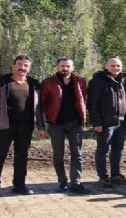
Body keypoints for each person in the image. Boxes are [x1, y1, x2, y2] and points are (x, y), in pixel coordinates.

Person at [0, 55, 45, 199]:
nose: (22, 67)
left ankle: (19, 185)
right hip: (4, 126)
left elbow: (39, 107)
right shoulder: (2, 82)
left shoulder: (34, 84)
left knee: (22, 156)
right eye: (19, 64)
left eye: (25, 65)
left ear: (29, 68)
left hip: (26, 127)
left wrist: (41, 126)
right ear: (13, 66)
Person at [40, 57, 91, 194]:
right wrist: (41, 124)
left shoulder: (80, 82)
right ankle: (62, 182)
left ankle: (75, 182)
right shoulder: (48, 83)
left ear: (72, 68)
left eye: (68, 66)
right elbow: (42, 104)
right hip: (56, 123)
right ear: (57, 67)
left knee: (77, 154)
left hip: (75, 123)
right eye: (62, 66)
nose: (65, 68)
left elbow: (83, 99)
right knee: (58, 155)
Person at [88, 57, 126, 188]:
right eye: (112, 65)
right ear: (106, 66)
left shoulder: (122, 80)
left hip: (121, 121)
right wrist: (96, 123)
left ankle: (115, 174)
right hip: (105, 122)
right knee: (103, 149)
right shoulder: (98, 81)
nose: (115, 68)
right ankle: (102, 176)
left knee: (117, 149)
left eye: (118, 66)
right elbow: (92, 104)